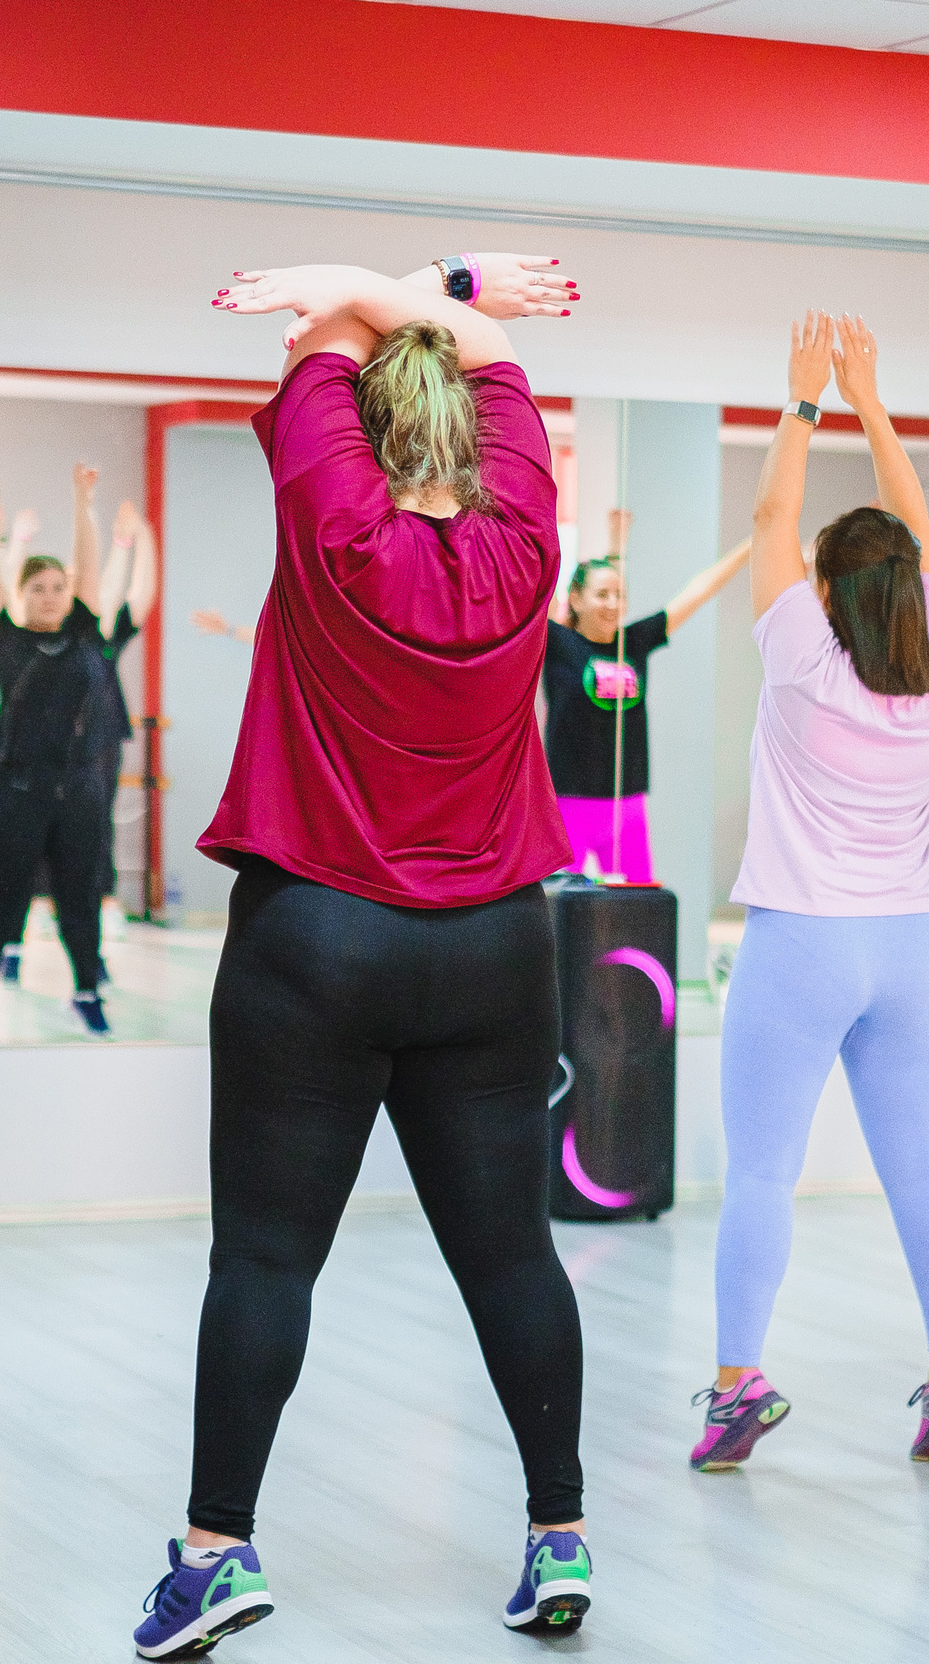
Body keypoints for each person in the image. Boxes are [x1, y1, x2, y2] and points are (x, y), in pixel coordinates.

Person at [127, 250, 585, 1659]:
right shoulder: (529, 538)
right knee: (512, 1253)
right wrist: (445, 285)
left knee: (266, 1257)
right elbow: (487, 346)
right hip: (499, 946)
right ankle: (559, 1529)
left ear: (364, 428)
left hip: (317, 938)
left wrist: (358, 279)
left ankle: (217, 1550)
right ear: (472, 428)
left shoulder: (331, 515)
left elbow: (319, 335)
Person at [694, 312, 929, 1479]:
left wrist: (803, 399)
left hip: (803, 942)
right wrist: (872, 399)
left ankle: (733, 1389)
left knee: (760, 1171)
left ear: (821, 589)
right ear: (910, 590)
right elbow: (911, 535)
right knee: (920, 1168)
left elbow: (770, 518)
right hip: (912, 945)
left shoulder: (803, 662)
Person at [0, 464, 143, 1042]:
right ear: (21, 596)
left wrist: (83, 501)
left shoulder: (87, 632)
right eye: (36, 589)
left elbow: (89, 566)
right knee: (3, 898)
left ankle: (86, 992)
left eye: (57, 588)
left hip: (80, 798)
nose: (48, 597)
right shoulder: (6, 640)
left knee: (79, 899)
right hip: (15, 795)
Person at [543, 508, 751, 880]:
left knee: (636, 909)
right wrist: (615, 545)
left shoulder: (634, 641)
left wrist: (752, 544)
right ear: (575, 599)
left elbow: (697, 592)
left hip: (627, 805)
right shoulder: (559, 643)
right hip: (567, 802)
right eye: (602, 594)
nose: (612, 604)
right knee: (559, 909)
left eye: (620, 595)